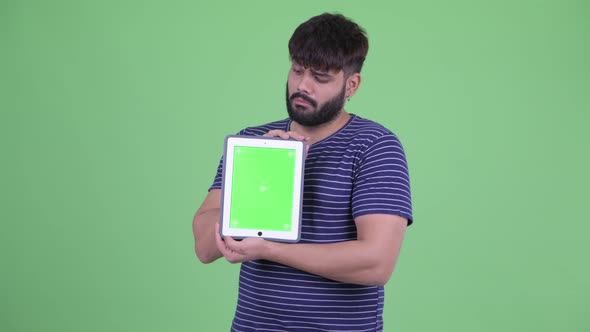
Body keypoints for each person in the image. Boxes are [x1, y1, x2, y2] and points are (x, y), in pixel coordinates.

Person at [193, 13, 413, 332]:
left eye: (320, 78)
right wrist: (260, 172)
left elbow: (376, 263)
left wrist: (271, 249)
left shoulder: (376, 146)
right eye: (297, 70)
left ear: (351, 84)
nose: (302, 86)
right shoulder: (254, 142)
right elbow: (204, 246)